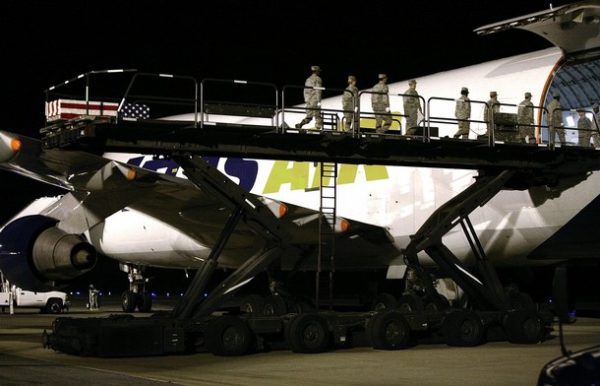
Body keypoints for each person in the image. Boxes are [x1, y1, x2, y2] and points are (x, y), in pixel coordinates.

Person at [296, 65, 323, 130]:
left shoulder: (308, 79)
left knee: (309, 116)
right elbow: (318, 90)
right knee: (318, 116)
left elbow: (305, 91)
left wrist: (306, 100)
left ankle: (300, 124)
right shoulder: (318, 79)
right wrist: (319, 101)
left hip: (308, 101)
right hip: (315, 101)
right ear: (316, 71)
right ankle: (318, 128)